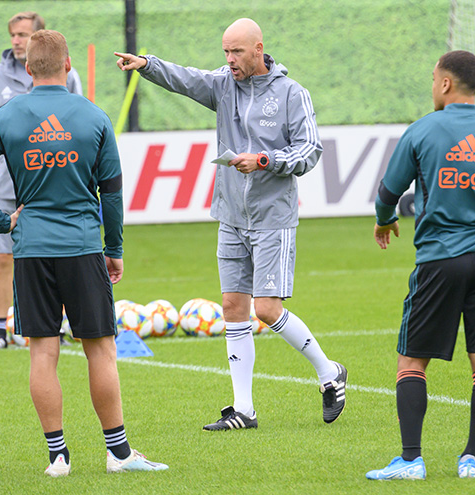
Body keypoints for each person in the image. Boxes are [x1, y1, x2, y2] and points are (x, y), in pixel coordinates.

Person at [115, 18, 347, 430]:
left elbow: (310, 150)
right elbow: (186, 79)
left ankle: (329, 372)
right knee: (233, 308)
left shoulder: (292, 94)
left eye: (236, 52)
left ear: (258, 49)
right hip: (230, 216)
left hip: (273, 217)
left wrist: (264, 160)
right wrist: (146, 63)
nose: (229, 60)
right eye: (225, 52)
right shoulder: (223, 85)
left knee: (268, 309)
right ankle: (244, 409)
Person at [0, 29, 168, 477]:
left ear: (28, 69)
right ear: (68, 66)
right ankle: (118, 453)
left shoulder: (8, 115)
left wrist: (0, 221)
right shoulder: (93, 117)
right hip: (83, 246)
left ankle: (57, 457)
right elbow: (111, 193)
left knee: (42, 352)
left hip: (31, 250)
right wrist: (114, 249)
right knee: (100, 350)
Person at [366, 50, 475, 481]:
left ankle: (411, 460)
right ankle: (471, 458)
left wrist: (384, 222)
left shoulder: (423, 131)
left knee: (411, 364)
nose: (432, 85)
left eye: (434, 78)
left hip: (440, 260)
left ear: (446, 84)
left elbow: (386, 193)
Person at [0, 11, 82, 350]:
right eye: (13, 35)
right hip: (7, 185)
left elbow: (76, 120)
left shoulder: (69, 75)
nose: (17, 41)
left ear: (40, 37)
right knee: (3, 257)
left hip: (53, 183)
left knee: (58, 256)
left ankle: (58, 326)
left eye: (23, 34)